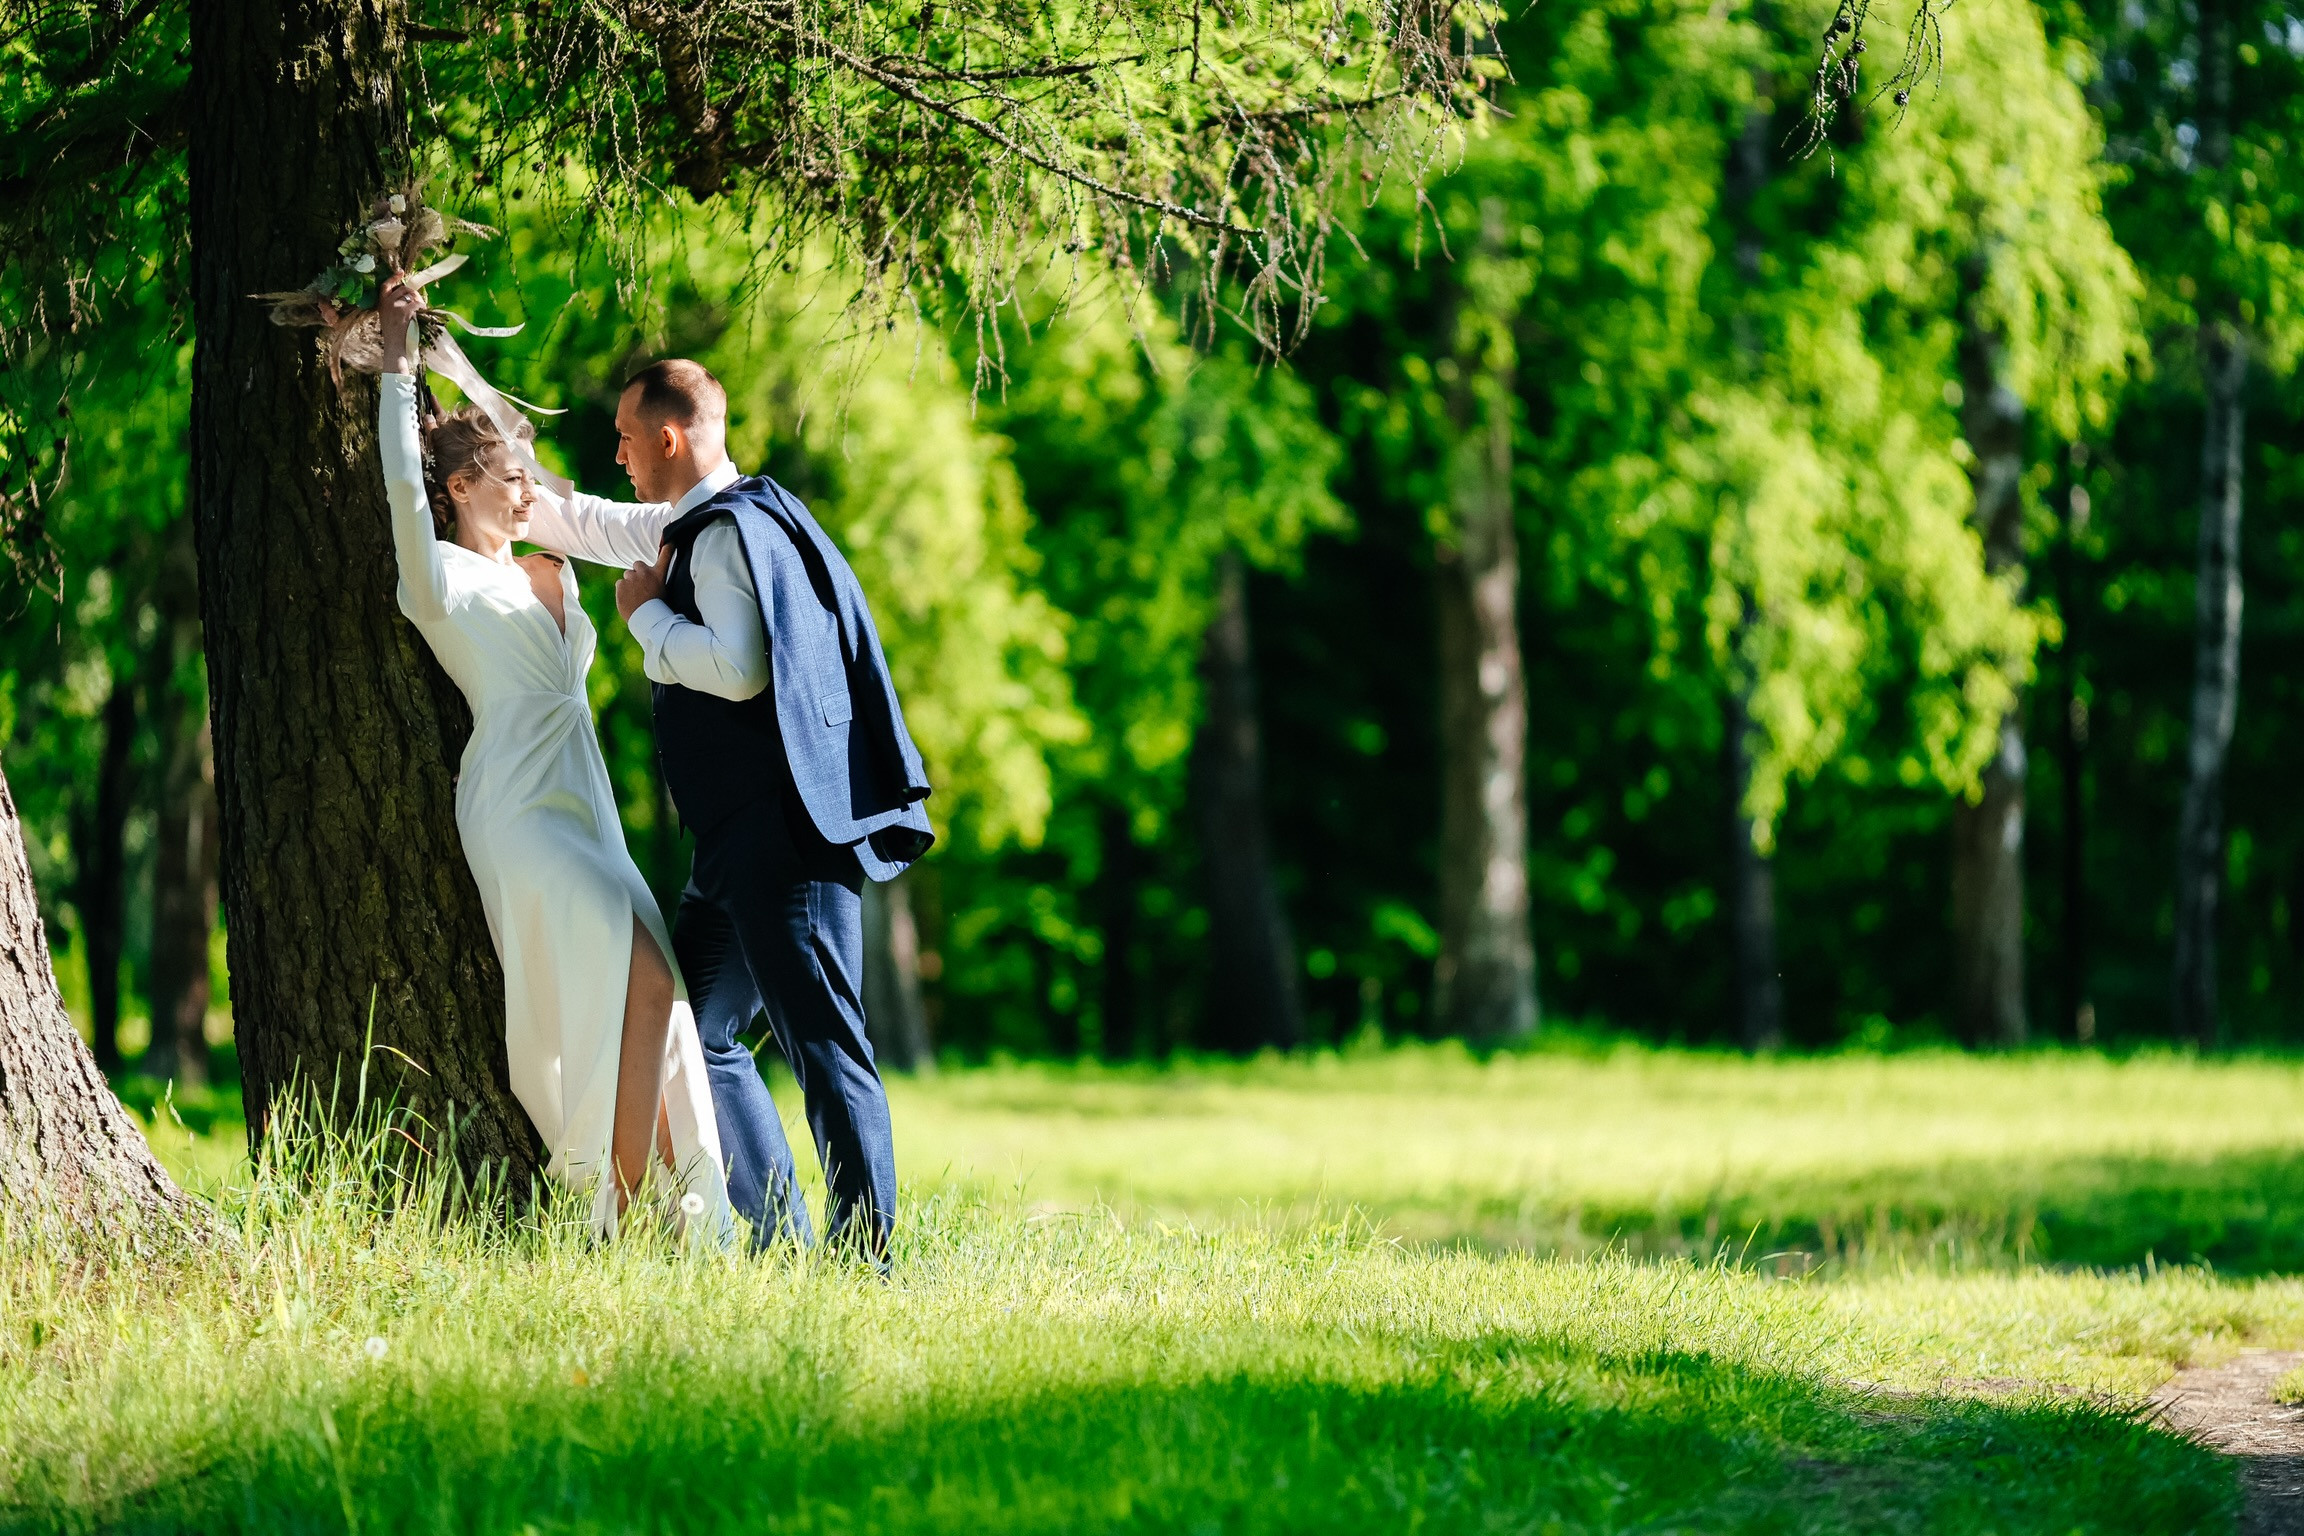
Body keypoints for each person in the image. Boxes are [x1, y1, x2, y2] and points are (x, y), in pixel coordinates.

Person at [522, 358, 933, 1265]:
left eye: (628, 440)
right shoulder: (698, 520)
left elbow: (740, 667)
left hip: (787, 843)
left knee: (826, 1044)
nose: (619, 455)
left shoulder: (726, 537)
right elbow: (591, 520)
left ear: (670, 438)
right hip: (732, 848)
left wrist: (644, 623)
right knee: (701, 1037)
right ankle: (782, 1239)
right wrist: (501, 462)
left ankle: (867, 1261)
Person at [371, 277, 732, 1240]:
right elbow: (402, 488)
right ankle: (606, 1220)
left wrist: (462, 368)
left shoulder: (550, 564)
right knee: (639, 985)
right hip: (521, 810)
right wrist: (401, 362)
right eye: (508, 477)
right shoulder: (438, 580)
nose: (531, 488)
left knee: (653, 999)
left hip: (589, 805)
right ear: (458, 489)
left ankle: (659, 1211)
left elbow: (544, 467)